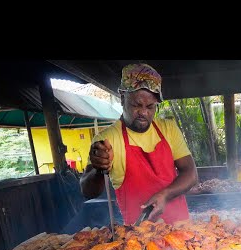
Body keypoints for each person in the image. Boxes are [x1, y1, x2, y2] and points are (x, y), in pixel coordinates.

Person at [80, 63, 198, 225]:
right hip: (137, 239)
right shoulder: (108, 139)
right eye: (136, 105)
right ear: (122, 98)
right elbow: (88, 192)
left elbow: (191, 174)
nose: (143, 112)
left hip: (181, 231)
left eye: (150, 107)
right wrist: (99, 170)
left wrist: (165, 194)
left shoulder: (168, 129)